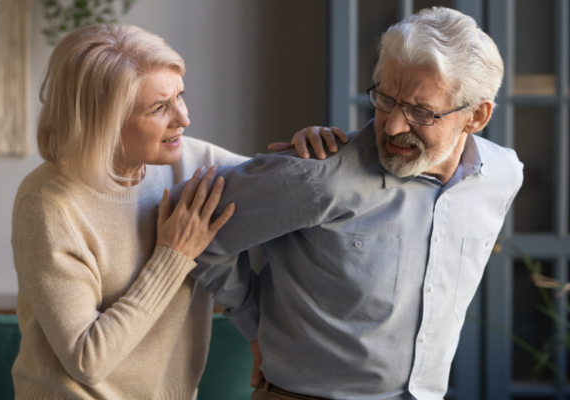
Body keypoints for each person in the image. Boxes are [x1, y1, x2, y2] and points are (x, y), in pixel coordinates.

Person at [177, 7, 524, 400]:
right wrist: (255, 327)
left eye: (420, 111)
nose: (393, 125)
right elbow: (193, 226)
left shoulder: (503, 174)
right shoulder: (320, 174)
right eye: (385, 99)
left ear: (476, 117)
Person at [11, 24, 344, 399]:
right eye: (159, 108)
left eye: (179, 97)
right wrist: (174, 255)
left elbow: (289, 193)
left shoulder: (194, 160)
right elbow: (87, 360)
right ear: (104, 121)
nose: (182, 119)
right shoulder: (48, 206)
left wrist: (313, 149)